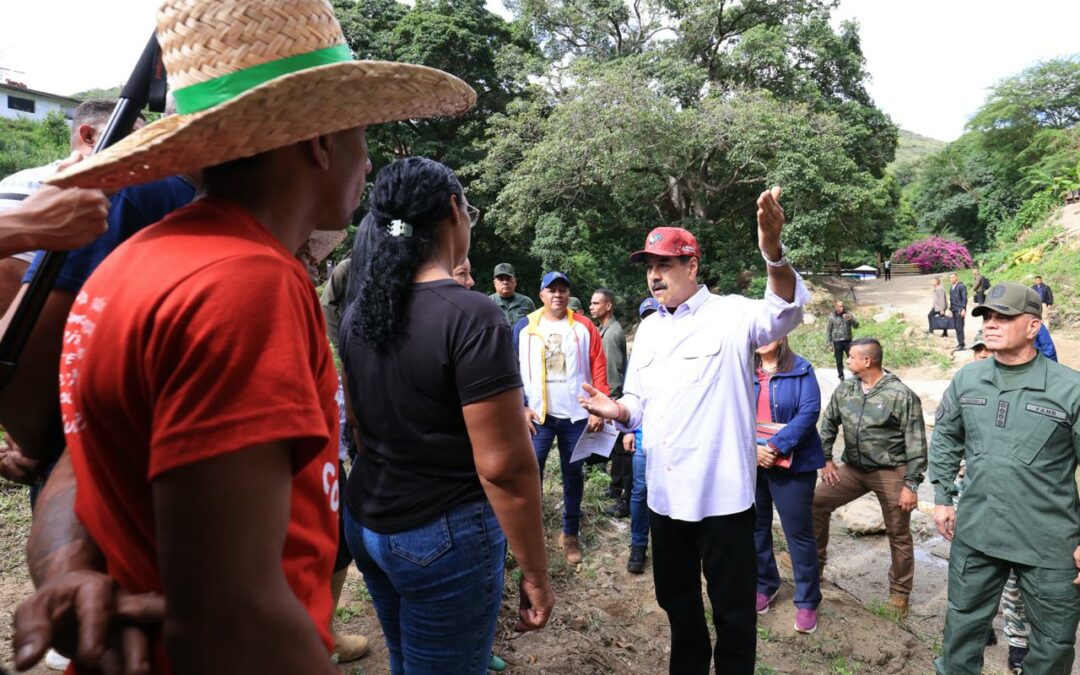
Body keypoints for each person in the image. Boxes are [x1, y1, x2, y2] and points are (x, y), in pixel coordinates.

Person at [12, 1, 478, 672]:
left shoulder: (134, 263)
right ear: (318, 142)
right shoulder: (248, 282)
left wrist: (63, 568)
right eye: (360, 135)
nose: (368, 163)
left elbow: (76, 458)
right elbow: (237, 620)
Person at [578, 187, 809, 675]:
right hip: (665, 498)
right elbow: (640, 403)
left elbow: (785, 310)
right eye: (649, 266)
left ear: (692, 266)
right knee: (678, 609)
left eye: (664, 264)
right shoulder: (651, 330)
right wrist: (617, 409)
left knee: (734, 615)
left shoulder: (731, 314)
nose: (654, 274)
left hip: (722, 499)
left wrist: (773, 252)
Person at [341, 158, 553, 674]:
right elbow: (503, 466)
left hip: (369, 521)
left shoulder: (358, 313)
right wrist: (536, 573)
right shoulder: (470, 314)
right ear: (454, 210)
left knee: (406, 661)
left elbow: (361, 433)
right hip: (441, 535)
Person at [931, 282, 1080, 675]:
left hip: (1048, 540)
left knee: (1053, 644)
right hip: (978, 530)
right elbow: (946, 437)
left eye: (1004, 318)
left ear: (1033, 328)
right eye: (987, 317)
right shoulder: (969, 380)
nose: (991, 325)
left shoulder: (1069, 389)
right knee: (961, 630)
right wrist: (943, 497)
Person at [812, 337, 927, 619]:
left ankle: (899, 594)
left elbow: (916, 443)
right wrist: (826, 458)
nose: (846, 360)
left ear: (868, 361)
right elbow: (828, 423)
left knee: (898, 532)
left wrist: (911, 485)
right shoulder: (846, 388)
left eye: (851, 357)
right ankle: (813, 570)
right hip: (853, 469)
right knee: (816, 502)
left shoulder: (901, 395)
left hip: (890, 471)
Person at [519, 271, 609, 564]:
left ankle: (569, 533)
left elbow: (598, 364)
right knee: (532, 474)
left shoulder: (584, 327)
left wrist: (598, 407)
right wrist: (521, 405)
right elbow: (510, 369)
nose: (558, 294)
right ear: (541, 294)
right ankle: (531, 534)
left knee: (574, 475)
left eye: (563, 290)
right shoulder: (524, 328)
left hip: (576, 416)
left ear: (568, 295)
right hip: (539, 416)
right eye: (551, 290)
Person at [752, 336, 825, 634]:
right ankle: (765, 584)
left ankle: (807, 600)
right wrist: (752, 450)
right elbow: (729, 410)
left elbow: (809, 413)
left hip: (793, 465)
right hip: (751, 461)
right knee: (755, 527)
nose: (763, 339)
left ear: (781, 335)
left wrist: (775, 446)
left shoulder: (801, 369)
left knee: (799, 534)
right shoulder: (743, 370)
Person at [623, 297, 660, 574]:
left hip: (672, 439)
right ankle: (638, 546)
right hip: (643, 434)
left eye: (654, 314)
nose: (651, 320)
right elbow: (633, 396)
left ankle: (666, 545)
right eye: (645, 316)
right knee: (640, 490)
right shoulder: (638, 356)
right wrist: (630, 430)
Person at [590, 287, 630, 517]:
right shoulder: (603, 330)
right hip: (610, 400)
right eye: (592, 303)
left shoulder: (612, 334)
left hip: (613, 401)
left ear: (608, 305)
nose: (592, 307)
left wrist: (609, 405)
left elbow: (613, 373)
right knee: (614, 451)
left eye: (597, 303)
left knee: (621, 452)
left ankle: (622, 496)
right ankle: (615, 489)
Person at [825, 300, 858, 380]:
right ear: (836, 307)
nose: (842, 308)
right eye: (839, 306)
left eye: (842, 306)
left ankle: (855, 375)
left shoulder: (848, 314)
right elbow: (828, 331)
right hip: (837, 341)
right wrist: (829, 344)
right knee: (839, 361)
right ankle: (841, 377)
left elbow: (856, 325)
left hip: (848, 341)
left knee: (852, 358)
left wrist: (850, 319)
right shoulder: (832, 317)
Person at [949, 272, 968, 350]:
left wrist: (964, 308)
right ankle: (960, 343)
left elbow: (964, 298)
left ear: (957, 277)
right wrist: (950, 309)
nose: (952, 279)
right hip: (954, 309)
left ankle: (962, 344)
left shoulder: (961, 286)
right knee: (957, 327)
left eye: (953, 277)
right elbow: (951, 300)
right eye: (950, 278)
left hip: (960, 309)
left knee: (960, 326)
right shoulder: (951, 288)